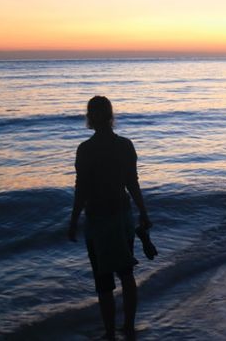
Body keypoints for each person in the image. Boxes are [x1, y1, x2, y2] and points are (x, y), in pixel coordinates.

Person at [68, 95, 151, 340]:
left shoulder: (86, 150)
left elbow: (81, 190)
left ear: (90, 118)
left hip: (98, 220)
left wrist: (73, 221)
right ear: (111, 116)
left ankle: (109, 333)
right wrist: (143, 212)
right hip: (123, 216)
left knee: (103, 281)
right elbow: (132, 183)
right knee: (126, 273)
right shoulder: (125, 145)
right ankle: (128, 327)